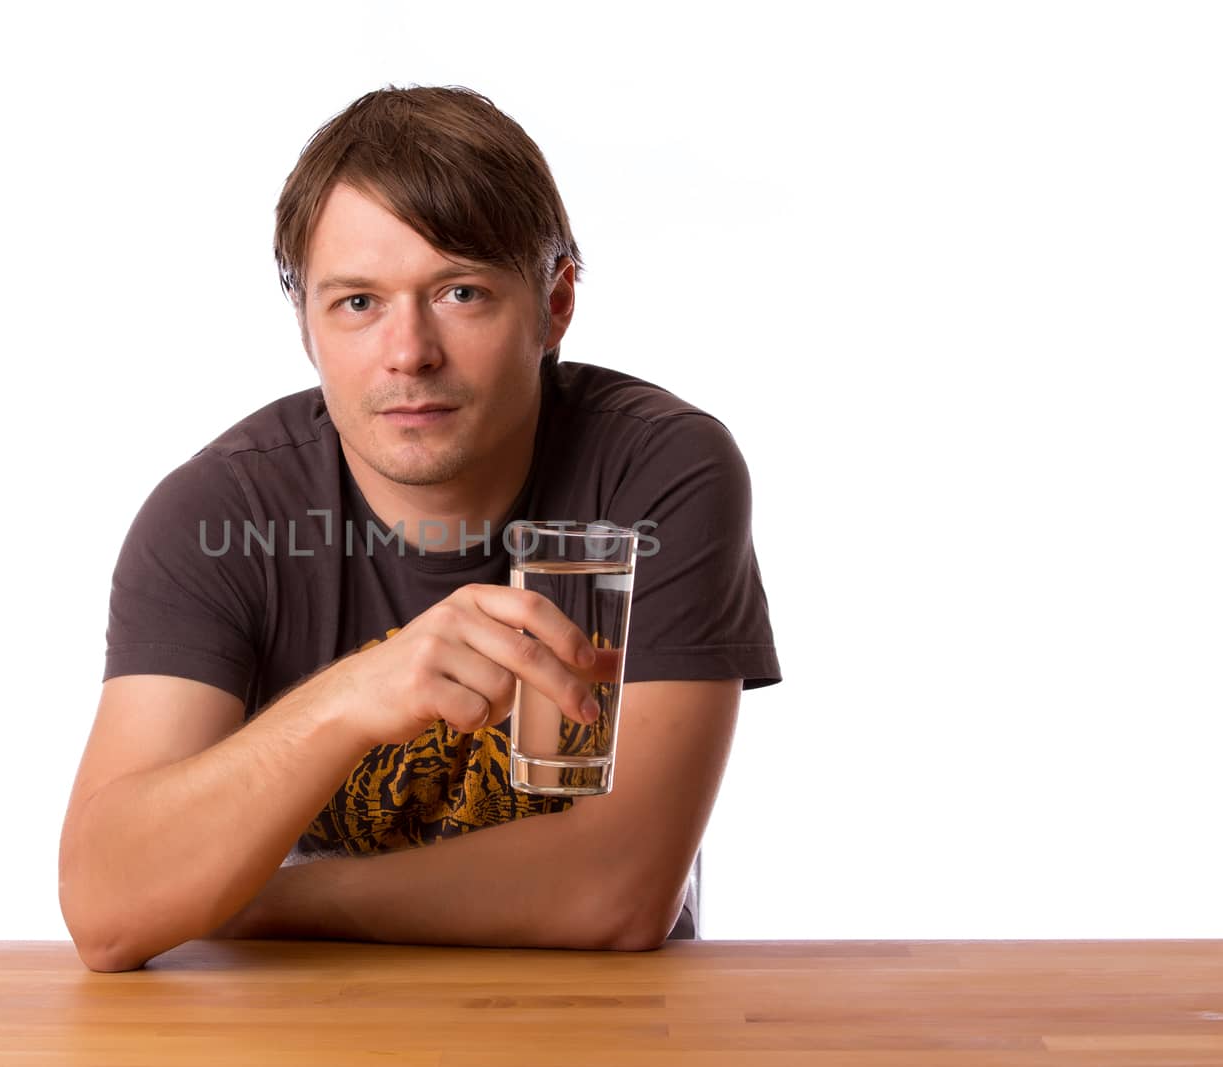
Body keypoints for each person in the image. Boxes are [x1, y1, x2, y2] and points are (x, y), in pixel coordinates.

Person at [57, 85, 782, 972]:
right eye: (358, 303)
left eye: (460, 292)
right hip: (303, 1032)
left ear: (555, 305)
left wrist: (248, 902)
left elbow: (621, 889)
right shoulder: (218, 514)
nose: (409, 352)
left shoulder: (658, 472)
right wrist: (349, 697)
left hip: (601, 1030)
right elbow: (107, 904)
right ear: (306, 324)